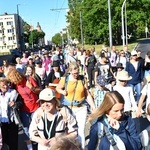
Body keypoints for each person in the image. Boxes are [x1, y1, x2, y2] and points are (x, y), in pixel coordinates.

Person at [56, 62, 95, 149]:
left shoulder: (82, 79)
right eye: (74, 73)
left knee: (81, 129)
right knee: (70, 130)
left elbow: (86, 93)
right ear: (70, 71)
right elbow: (58, 88)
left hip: (81, 107)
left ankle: (81, 147)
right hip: (69, 108)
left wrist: (92, 105)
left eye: (77, 73)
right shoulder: (65, 79)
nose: (76, 75)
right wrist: (62, 91)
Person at [6, 69, 39, 150]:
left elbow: (39, 90)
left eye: (12, 79)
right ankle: (30, 148)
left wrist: (31, 87)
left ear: (16, 77)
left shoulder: (29, 79)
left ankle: (37, 145)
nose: (12, 81)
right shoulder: (14, 85)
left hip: (35, 107)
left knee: (36, 127)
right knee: (26, 129)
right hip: (24, 109)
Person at [0, 78, 22, 150]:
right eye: (3, 86)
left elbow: (20, 103)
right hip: (2, 122)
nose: (5, 87)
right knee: (2, 141)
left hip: (12, 120)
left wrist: (15, 104)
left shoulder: (14, 92)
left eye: (6, 85)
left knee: (13, 142)